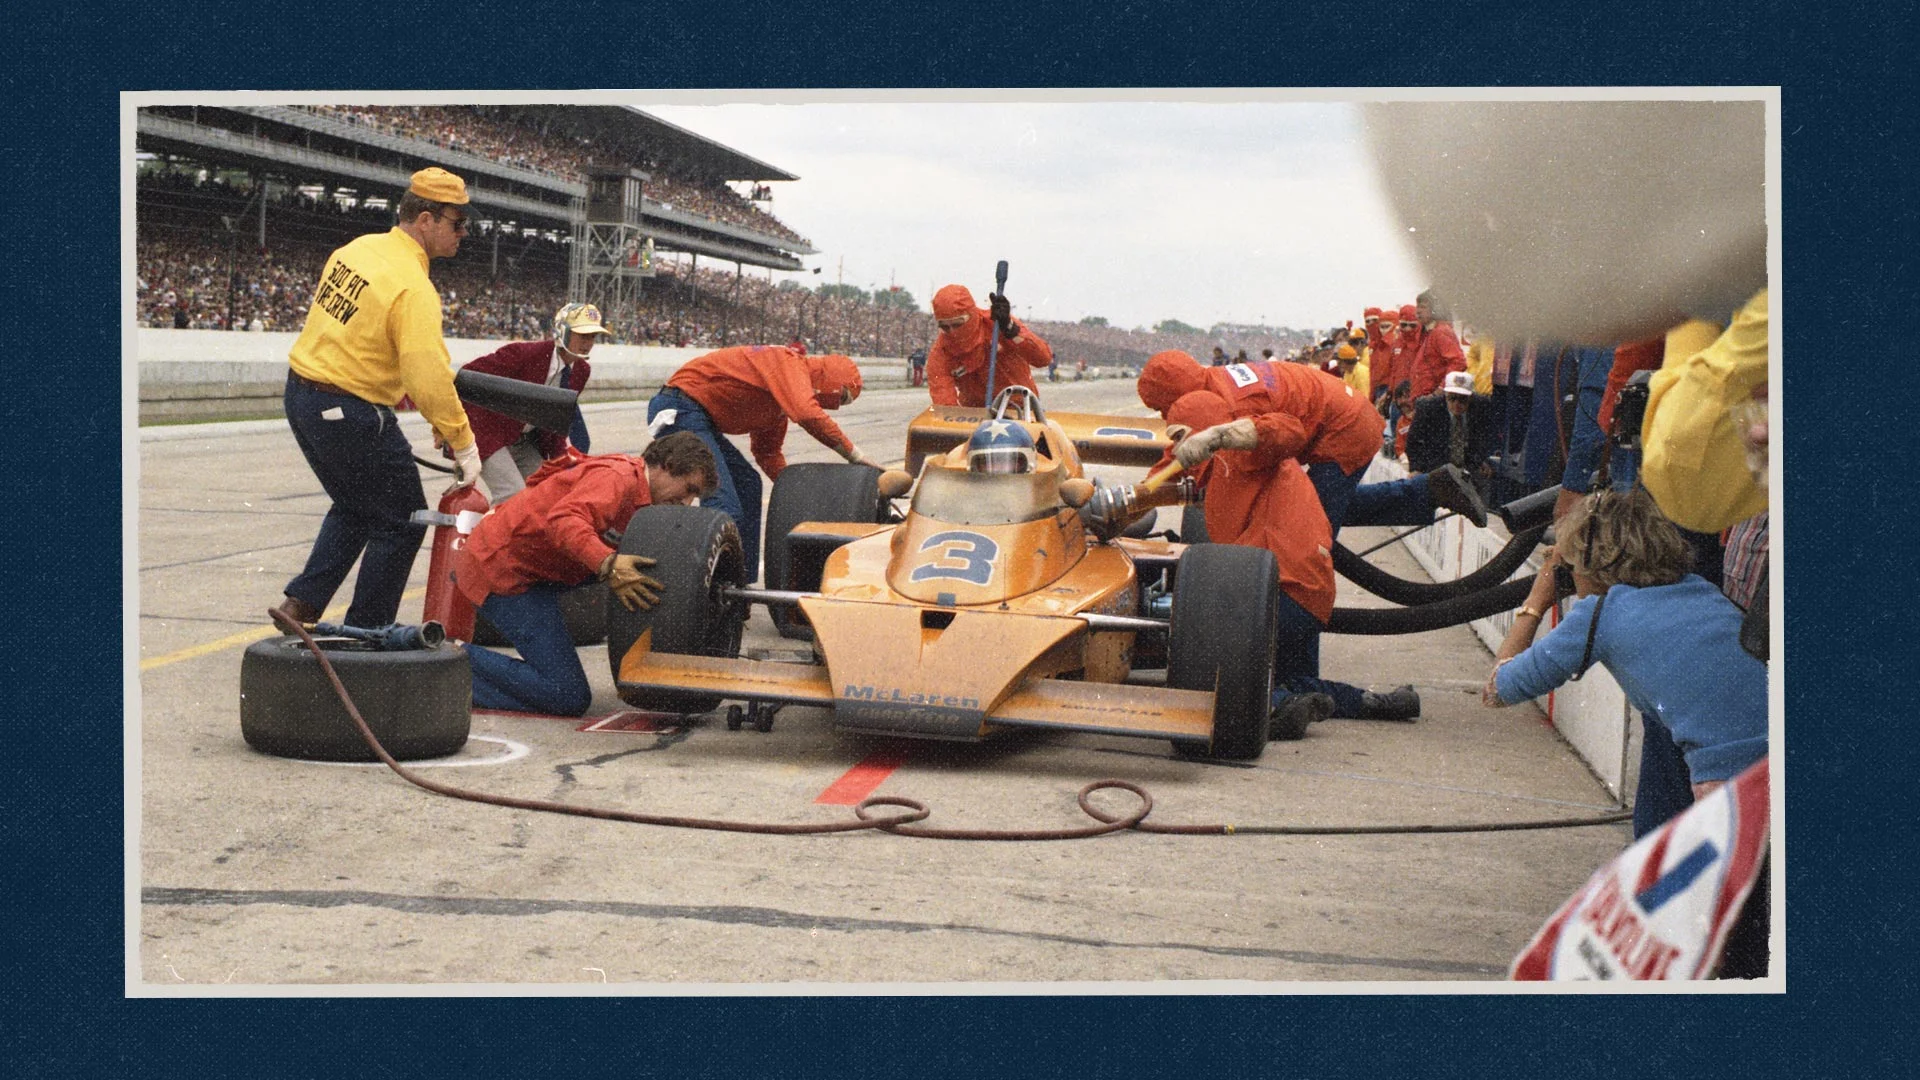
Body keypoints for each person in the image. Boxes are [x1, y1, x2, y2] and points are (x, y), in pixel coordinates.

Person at [1483, 487, 1767, 838]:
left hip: (1730, 787)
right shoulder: (1701, 589)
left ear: (1588, 563)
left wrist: (1537, 599)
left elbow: (1498, 689)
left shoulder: (1599, 616)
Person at [273, 166, 481, 630]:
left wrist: (436, 413)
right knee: (403, 520)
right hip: (350, 408)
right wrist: (462, 441)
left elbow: (363, 337)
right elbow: (425, 373)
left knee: (355, 503)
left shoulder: (358, 250)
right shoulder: (413, 286)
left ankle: (301, 605)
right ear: (425, 219)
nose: (464, 234)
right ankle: (365, 632)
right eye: (457, 223)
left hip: (303, 394)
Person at [1159, 390, 1415, 728]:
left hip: (1281, 591)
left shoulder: (1244, 456)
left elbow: (1288, 429)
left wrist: (1223, 436)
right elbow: (1167, 470)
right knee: (1291, 678)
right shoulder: (1235, 467)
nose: (1178, 447)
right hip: (1307, 594)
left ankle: (1275, 707)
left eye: (1181, 436)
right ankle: (1373, 702)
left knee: (1223, 673)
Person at [454, 433, 719, 716]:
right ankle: (444, 660)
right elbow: (564, 520)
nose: (688, 502)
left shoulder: (649, 500)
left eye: (695, 496)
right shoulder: (617, 478)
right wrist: (608, 564)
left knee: (644, 568)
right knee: (566, 695)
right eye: (688, 489)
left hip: (540, 569)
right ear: (667, 465)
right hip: (501, 570)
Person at [1135, 349, 1488, 543]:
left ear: (1175, 396)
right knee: (1324, 507)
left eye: (1163, 408)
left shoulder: (1235, 406)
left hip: (1345, 430)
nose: (1168, 417)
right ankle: (1428, 492)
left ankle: (1299, 664)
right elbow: (1177, 456)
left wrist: (1134, 504)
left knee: (1307, 534)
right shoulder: (1214, 385)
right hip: (1345, 416)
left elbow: (1286, 437)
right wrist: (1136, 498)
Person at [645, 344, 876, 585]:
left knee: (749, 483)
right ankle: (699, 584)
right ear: (831, 380)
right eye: (842, 397)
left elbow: (768, 453)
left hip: (698, 415)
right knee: (724, 503)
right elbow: (807, 413)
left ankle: (739, 583)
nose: (836, 405)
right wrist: (855, 455)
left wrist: (796, 490)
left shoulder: (777, 405)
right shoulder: (787, 361)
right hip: (680, 406)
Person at [461, 302, 607, 505]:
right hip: (488, 435)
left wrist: (562, 463)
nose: (588, 342)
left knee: (548, 492)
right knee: (512, 494)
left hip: (523, 441)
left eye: (592, 336)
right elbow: (466, 377)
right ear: (562, 332)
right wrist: (450, 427)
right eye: (583, 335)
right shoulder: (526, 354)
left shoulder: (581, 371)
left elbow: (557, 420)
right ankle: (488, 536)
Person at [925, 284, 1054, 407]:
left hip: (1019, 409)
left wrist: (1011, 330)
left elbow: (1043, 359)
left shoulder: (999, 324)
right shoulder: (941, 354)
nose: (952, 332)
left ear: (972, 314)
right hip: (973, 416)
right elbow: (945, 405)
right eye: (945, 327)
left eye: (958, 324)